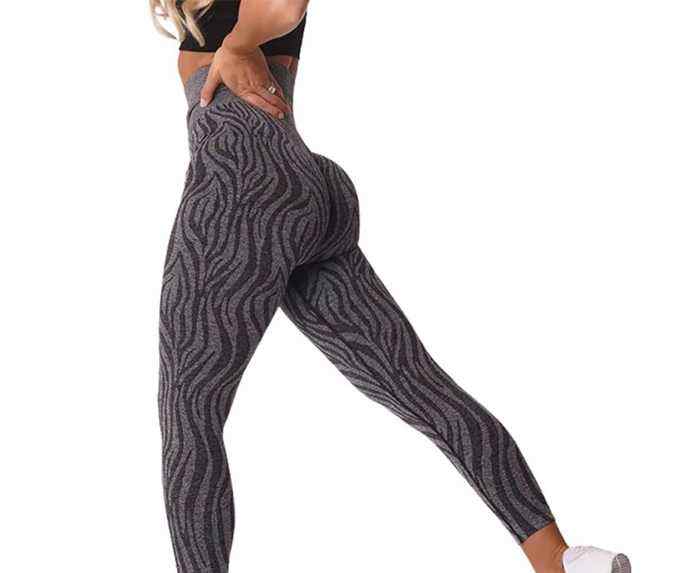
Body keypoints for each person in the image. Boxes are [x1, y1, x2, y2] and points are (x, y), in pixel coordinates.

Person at [151, 2, 631, 572]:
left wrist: (237, 44)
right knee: (419, 386)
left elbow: (285, 4)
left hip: (241, 192)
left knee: (190, 411)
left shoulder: (232, 24)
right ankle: (560, 560)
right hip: (307, 192)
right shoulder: (200, 11)